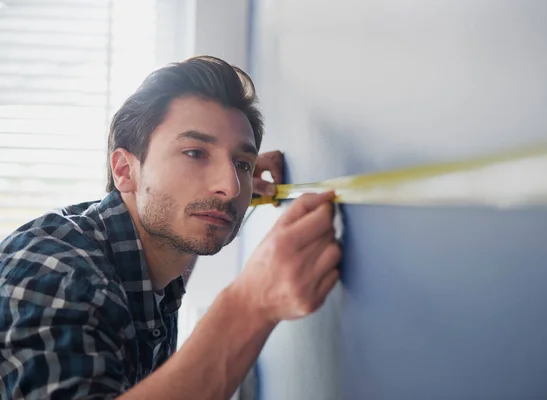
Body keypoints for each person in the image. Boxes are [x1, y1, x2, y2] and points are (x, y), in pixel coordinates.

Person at [0, 56, 341, 399]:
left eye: (241, 163)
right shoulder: (59, 275)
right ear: (124, 170)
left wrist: (216, 191)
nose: (231, 186)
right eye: (195, 153)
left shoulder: (154, 259)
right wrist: (250, 304)